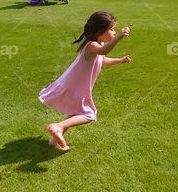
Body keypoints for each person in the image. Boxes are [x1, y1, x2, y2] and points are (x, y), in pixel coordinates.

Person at [38, 11, 132, 151]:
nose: (114, 32)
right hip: (76, 88)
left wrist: (120, 60)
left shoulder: (95, 46)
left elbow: (103, 60)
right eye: (112, 29)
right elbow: (104, 51)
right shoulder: (92, 46)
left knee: (75, 112)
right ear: (100, 31)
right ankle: (59, 126)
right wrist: (118, 37)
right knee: (89, 114)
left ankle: (55, 140)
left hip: (74, 86)